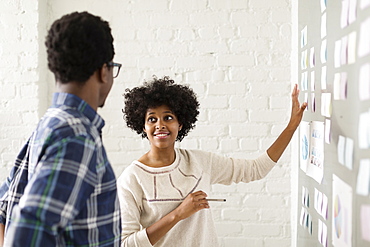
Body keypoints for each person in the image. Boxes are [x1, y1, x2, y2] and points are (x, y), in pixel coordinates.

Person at [117, 76, 307, 246]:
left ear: (180, 123)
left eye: (168, 117)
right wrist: (178, 214)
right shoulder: (132, 179)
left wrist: (291, 127)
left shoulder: (200, 162)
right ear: (143, 126)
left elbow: (256, 169)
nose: (160, 125)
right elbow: (126, 244)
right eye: (152, 119)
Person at [0, 12, 122, 246]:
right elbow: (28, 232)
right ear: (103, 71)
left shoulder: (49, 125)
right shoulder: (77, 136)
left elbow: (5, 204)